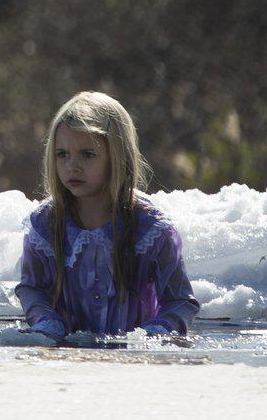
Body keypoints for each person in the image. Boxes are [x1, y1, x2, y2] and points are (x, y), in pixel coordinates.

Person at [13, 90, 200, 341]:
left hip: (132, 357)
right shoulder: (45, 225)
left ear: (118, 157)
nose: (72, 166)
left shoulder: (150, 230)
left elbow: (181, 301)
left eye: (87, 154)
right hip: (66, 353)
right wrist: (46, 321)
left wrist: (154, 334)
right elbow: (31, 288)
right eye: (62, 154)